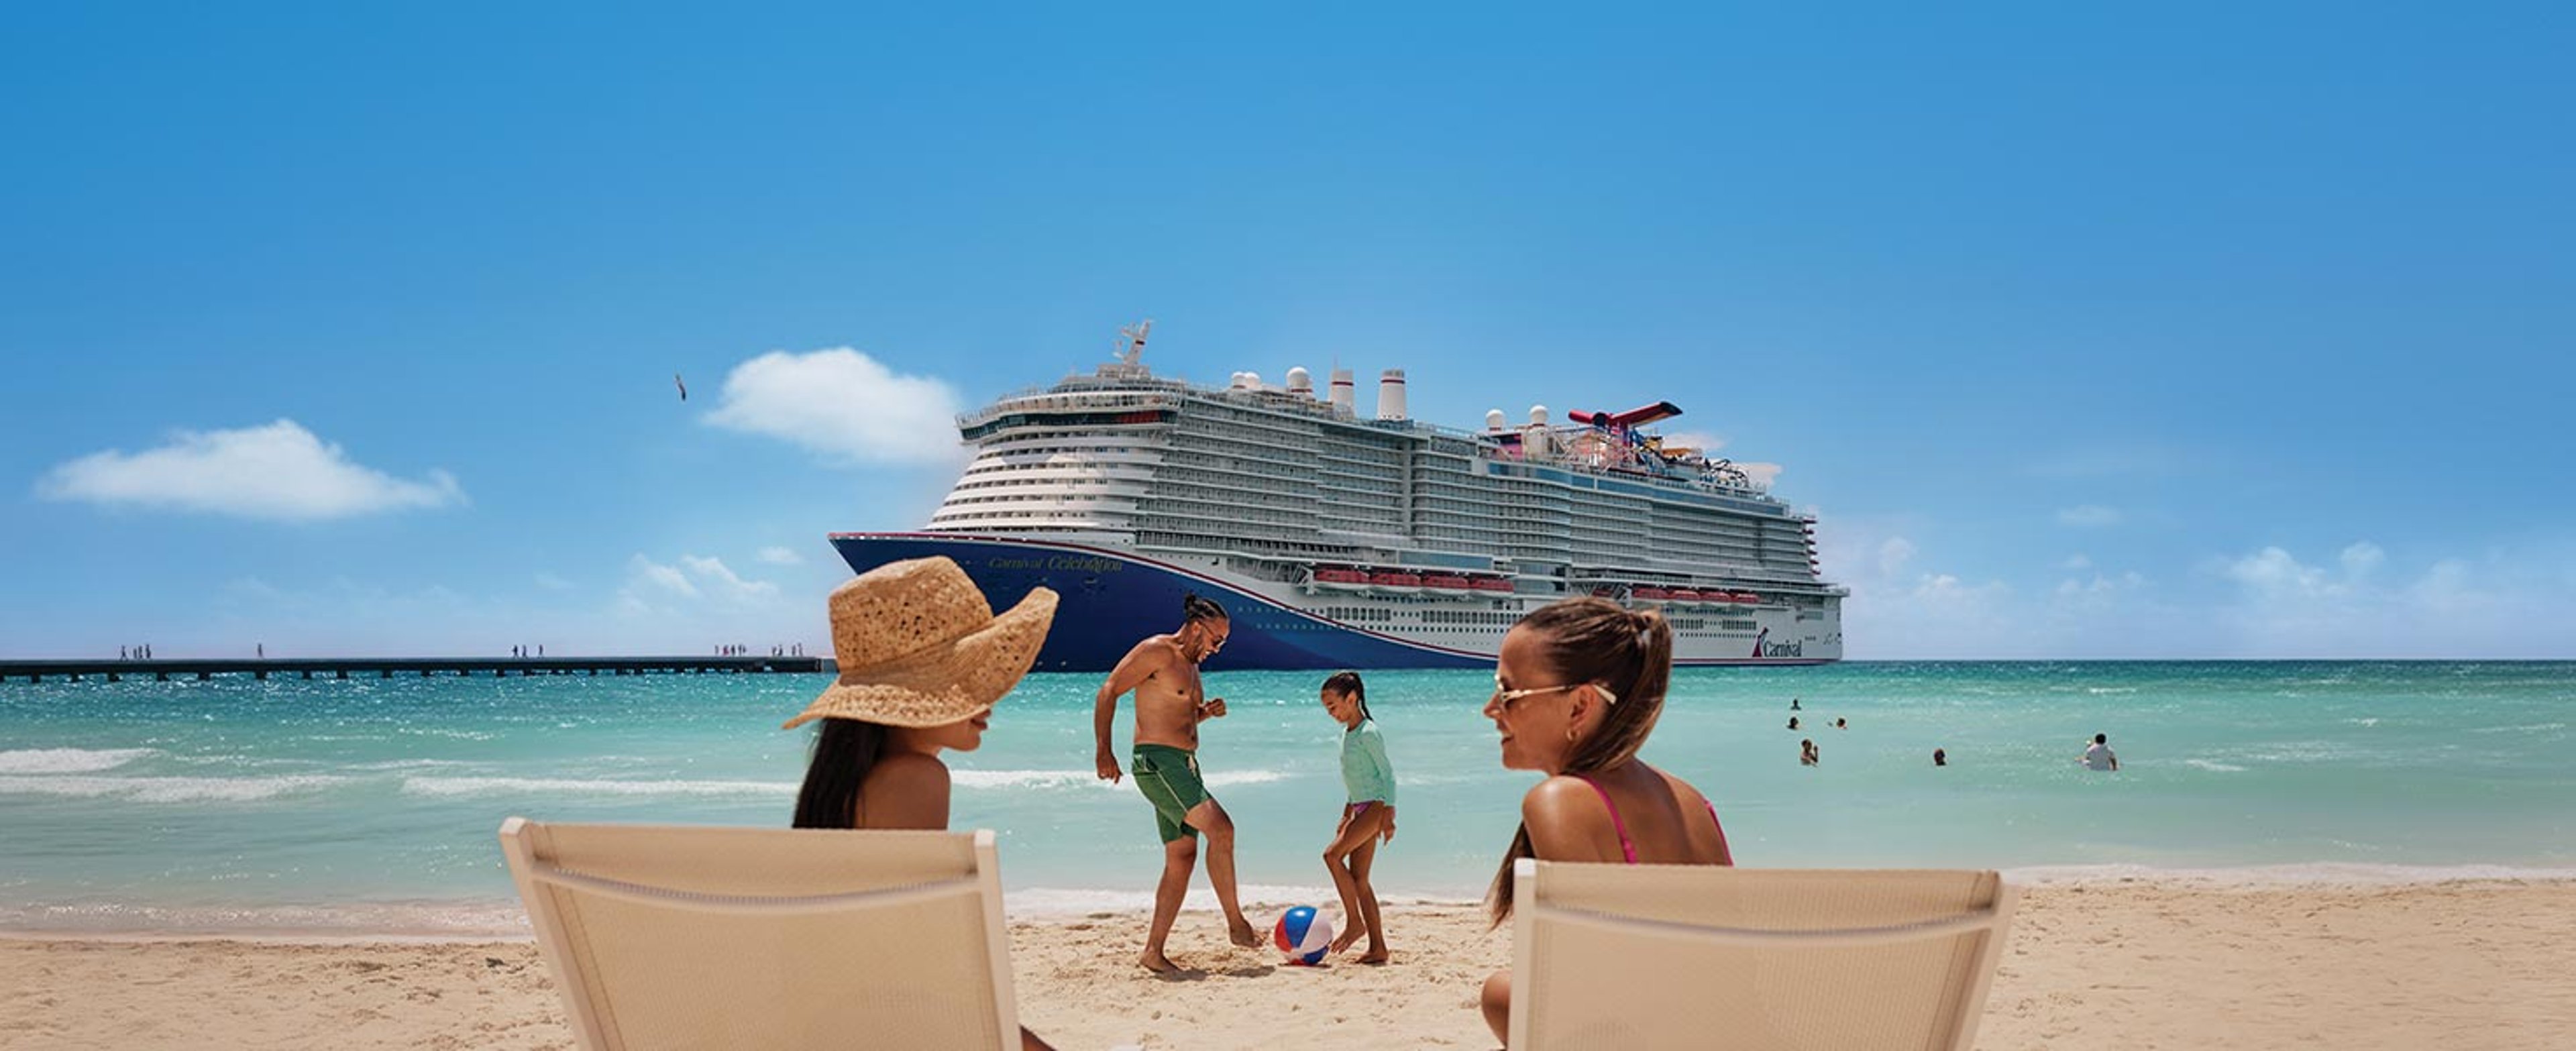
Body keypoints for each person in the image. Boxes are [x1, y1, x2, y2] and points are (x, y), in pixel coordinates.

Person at [782, 556, 1061, 1051]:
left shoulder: (840, 787)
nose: (990, 699)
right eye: (970, 679)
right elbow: (913, 964)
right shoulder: (917, 778)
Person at [1477, 598, 1733, 1043]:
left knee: (1501, 992)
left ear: (1580, 706)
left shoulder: (1560, 802)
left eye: (1508, 692)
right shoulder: (1690, 799)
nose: (1490, 708)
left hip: (1641, 1036)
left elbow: (1592, 1002)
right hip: (1716, 1033)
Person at [1093, 594, 1258, 973]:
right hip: (1158, 765)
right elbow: (1109, 690)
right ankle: (1236, 925)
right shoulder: (1158, 652)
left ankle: (1153, 952)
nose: (1219, 649)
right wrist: (1104, 750)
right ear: (1197, 628)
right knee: (1223, 830)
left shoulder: (1191, 664)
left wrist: (1205, 714)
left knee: (1182, 858)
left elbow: (1174, 718)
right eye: (1217, 640)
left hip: (1184, 766)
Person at [1319, 671, 1395, 964]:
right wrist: (1347, 812)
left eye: (1334, 706)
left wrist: (1389, 814)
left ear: (1352, 699)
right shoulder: (1348, 734)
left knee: (1332, 856)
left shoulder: (1368, 733)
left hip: (1376, 807)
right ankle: (1378, 947)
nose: (1331, 713)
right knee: (1360, 880)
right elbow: (1357, 780)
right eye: (1327, 709)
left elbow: (1387, 775)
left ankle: (1354, 922)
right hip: (1361, 808)